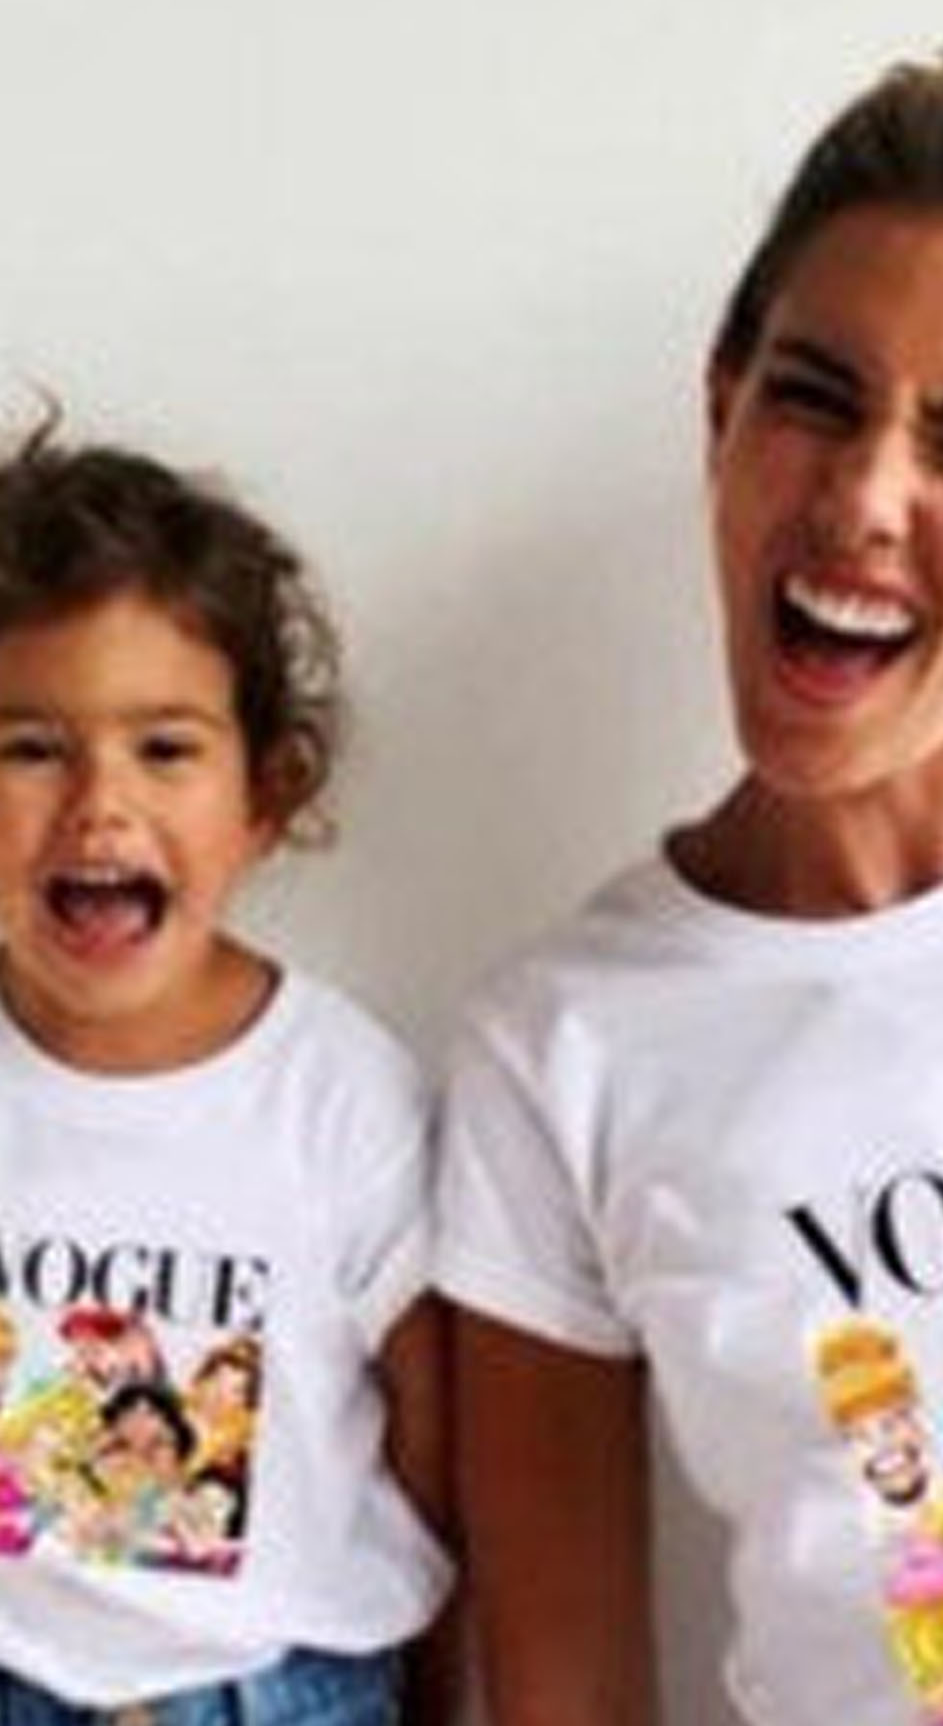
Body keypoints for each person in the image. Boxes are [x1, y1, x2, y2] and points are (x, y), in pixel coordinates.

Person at [435, 40, 943, 1726]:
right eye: (815, 398)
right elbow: (566, 1696)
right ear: (722, 411)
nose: (863, 499)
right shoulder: (555, 1053)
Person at [0, 429, 453, 1720]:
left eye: (165, 749)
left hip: (273, 1693)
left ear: (267, 796)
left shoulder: (339, 1097)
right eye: (30, 748)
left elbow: (440, 1462)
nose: (99, 806)